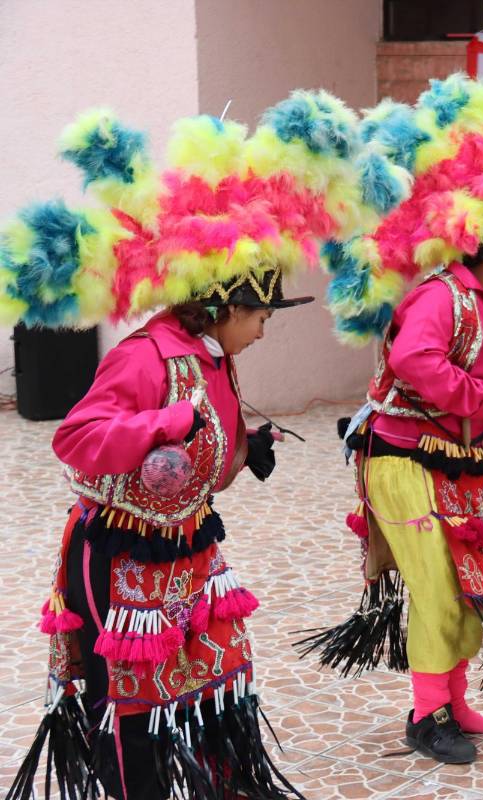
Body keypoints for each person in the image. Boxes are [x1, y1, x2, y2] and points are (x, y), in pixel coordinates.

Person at [4, 92, 371, 798]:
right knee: (133, 716)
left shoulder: (214, 359)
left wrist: (242, 452)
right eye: (260, 315)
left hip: (190, 552)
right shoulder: (145, 357)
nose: (264, 329)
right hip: (121, 563)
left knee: (217, 690)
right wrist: (163, 425)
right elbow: (76, 439)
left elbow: (200, 462)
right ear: (224, 306)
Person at [308, 71, 483, 766]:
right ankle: (425, 716)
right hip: (402, 460)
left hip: (454, 465)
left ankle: (455, 701)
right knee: (436, 589)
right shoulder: (443, 296)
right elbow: (414, 360)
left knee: (468, 588)